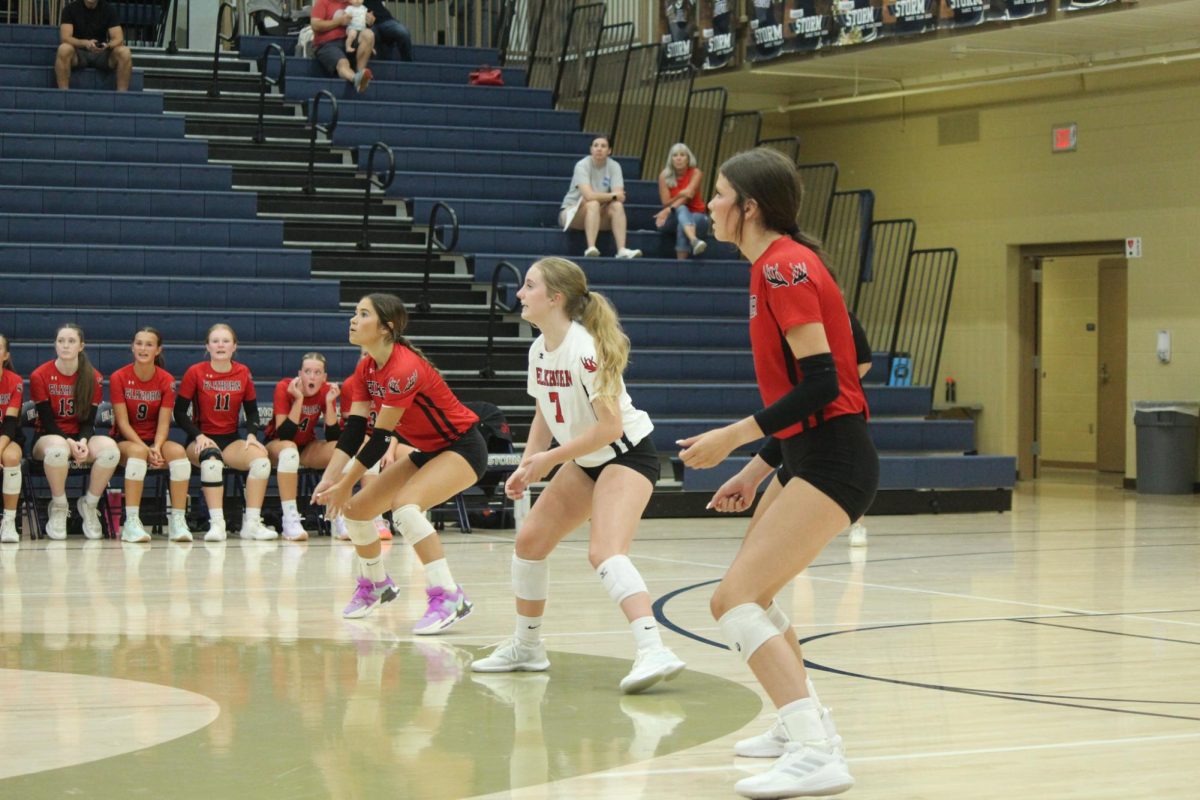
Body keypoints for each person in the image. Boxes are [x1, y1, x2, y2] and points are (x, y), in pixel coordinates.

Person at [677, 147, 878, 799]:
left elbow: (824, 383)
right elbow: (858, 359)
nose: (708, 206)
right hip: (807, 456)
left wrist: (735, 439)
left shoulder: (786, 267)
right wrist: (762, 467)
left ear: (750, 208)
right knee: (752, 594)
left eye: (720, 195)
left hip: (834, 459)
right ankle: (803, 727)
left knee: (731, 599)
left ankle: (817, 751)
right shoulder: (779, 266)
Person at [470, 257, 686, 693]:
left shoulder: (585, 348)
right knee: (530, 543)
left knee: (605, 551)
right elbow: (544, 412)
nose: (519, 293)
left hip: (628, 455)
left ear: (555, 298)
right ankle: (527, 648)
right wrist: (528, 462)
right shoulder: (538, 348)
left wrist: (551, 461)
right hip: (587, 459)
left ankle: (653, 649)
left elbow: (610, 428)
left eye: (528, 286)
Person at [312, 293, 486, 632]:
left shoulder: (404, 368)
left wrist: (345, 484)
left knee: (405, 508)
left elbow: (379, 440)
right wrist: (331, 479)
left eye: (363, 314)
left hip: (463, 448)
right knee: (356, 512)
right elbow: (354, 430)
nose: (353, 319)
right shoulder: (365, 368)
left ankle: (450, 595)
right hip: (428, 450)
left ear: (386, 328)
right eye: (355, 312)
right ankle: (376, 584)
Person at [174, 324, 277, 543]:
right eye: (215, 340)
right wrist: (198, 435)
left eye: (226, 341)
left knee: (261, 462)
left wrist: (251, 434)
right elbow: (180, 412)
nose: (220, 345)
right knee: (212, 463)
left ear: (234, 347)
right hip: (200, 439)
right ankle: (217, 524)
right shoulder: (195, 372)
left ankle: (251, 523)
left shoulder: (242, 372)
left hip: (230, 439)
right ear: (207, 347)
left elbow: (252, 412)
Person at [30, 324, 121, 540]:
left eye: (71, 341)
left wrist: (82, 441)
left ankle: (89, 504)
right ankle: (60, 506)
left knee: (111, 451)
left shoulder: (93, 377)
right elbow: (47, 421)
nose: (65, 345)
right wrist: (70, 443)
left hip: (79, 437)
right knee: (58, 450)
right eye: (61, 341)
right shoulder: (40, 375)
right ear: (55, 344)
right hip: (48, 438)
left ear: (81, 346)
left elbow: (89, 421)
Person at [109, 328, 192, 544]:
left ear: (158, 350)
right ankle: (132, 523)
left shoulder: (166, 380)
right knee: (137, 453)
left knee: (179, 454)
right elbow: (123, 423)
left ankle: (177, 520)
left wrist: (156, 446)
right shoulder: (119, 377)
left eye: (148, 344)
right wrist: (146, 449)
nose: (143, 348)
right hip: (128, 441)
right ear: (132, 346)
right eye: (139, 343)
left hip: (155, 440)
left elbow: (164, 423)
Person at [264, 352, 341, 541]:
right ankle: (290, 519)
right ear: (300, 374)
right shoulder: (285, 387)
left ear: (324, 378)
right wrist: (298, 400)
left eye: (317, 372)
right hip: (278, 445)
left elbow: (333, 436)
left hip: (306, 446)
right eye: (307, 371)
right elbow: (284, 434)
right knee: (289, 450)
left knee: (340, 449)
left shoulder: (325, 391)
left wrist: (330, 403)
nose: (312, 377)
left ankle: (338, 516)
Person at [330, 368, 403, 542]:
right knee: (366, 450)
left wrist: (390, 451)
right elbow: (353, 427)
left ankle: (413, 519)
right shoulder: (352, 383)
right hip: (362, 438)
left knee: (418, 455)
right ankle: (352, 517)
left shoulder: (395, 382)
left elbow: (396, 428)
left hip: (387, 437)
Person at [559, 135, 642, 260]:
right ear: (591, 149)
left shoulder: (614, 166)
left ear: (609, 151)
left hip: (598, 212)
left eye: (603, 146)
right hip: (572, 212)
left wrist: (613, 197)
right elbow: (589, 195)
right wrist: (612, 196)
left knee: (617, 206)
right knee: (593, 203)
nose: (599, 149)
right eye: (596, 145)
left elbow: (620, 198)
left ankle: (621, 250)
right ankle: (591, 247)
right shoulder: (582, 165)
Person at [55, 0, 134, 92]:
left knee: (125, 52)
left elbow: (119, 38)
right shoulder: (70, 9)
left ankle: (122, 95)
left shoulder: (108, 9)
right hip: (78, 53)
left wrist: (107, 46)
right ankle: (64, 94)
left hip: (102, 53)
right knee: (63, 49)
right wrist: (85, 43)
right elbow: (65, 38)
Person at [654, 143, 709, 259]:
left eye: (682, 155)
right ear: (671, 159)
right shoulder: (664, 175)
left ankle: (680, 265)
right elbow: (665, 202)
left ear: (688, 159)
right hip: (671, 219)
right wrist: (679, 195)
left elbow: (688, 195)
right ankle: (694, 240)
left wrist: (669, 208)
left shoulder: (696, 173)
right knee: (682, 210)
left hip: (697, 216)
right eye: (675, 155)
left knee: (682, 224)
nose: (678, 158)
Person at [311, 0, 375, 92]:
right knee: (343, 63)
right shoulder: (322, 2)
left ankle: (361, 73)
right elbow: (315, 25)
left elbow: (361, 23)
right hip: (327, 43)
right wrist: (339, 21)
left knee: (369, 34)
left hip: (348, 40)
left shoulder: (353, 4)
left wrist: (369, 20)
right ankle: (355, 78)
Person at [0, 335, 24, 543]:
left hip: (7, 436)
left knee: (11, 458)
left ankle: (8, 521)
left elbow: (9, 423)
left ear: (6, 355)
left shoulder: (14, 382)